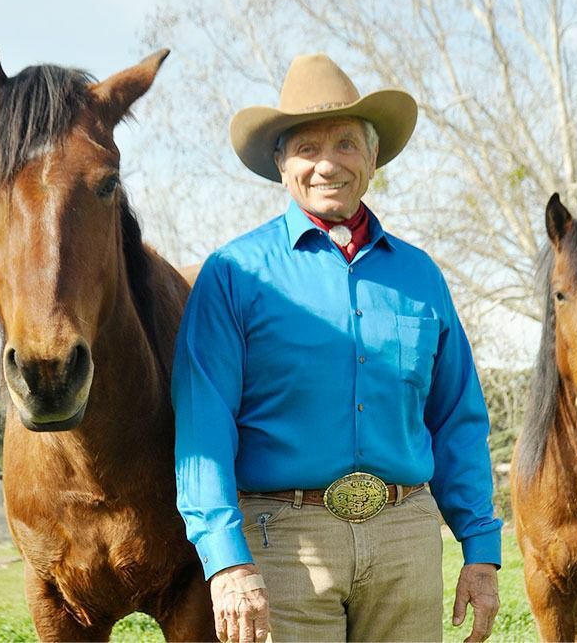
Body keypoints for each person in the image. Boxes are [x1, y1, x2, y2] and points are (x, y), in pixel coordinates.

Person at [172, 53, 502, 643]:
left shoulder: (421, 277)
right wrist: (226, 559)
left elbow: (457, 417)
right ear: (281, 163)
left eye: (347, 144)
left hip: (405, 538)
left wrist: (480, 549)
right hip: (283, 542)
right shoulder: (234, 275)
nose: (327, 164)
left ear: (373, 158)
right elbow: (203, 426)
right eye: (306, 148)